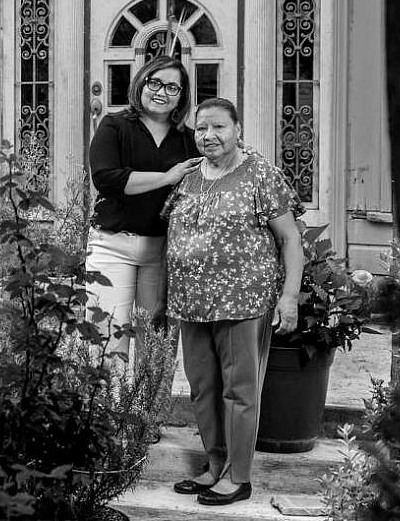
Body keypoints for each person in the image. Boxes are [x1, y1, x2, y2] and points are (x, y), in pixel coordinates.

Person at [153, 97, 305, 506]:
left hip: (243, 300)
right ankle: (214, 465)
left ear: (237, 129)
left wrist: (289, 297)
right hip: (191, 302)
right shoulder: (188, 177)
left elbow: (290, 239)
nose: (209, 136)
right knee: (203, 389)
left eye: (219, 127)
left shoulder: (260, 174)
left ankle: (239, 476)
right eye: (202, 128)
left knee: (239, 391)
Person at [86, 55, 203, 357]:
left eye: (172, 87)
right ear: (141, 83)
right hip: (112, 245)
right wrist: (167, 177)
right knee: (107, 342)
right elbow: (106, 178)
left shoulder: (189, 140)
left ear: (182, 97)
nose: (162, 92)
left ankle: (148, 407)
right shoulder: (114, 126)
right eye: (155, 82)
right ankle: (107, 406)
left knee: (155, 348)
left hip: (162, 252)